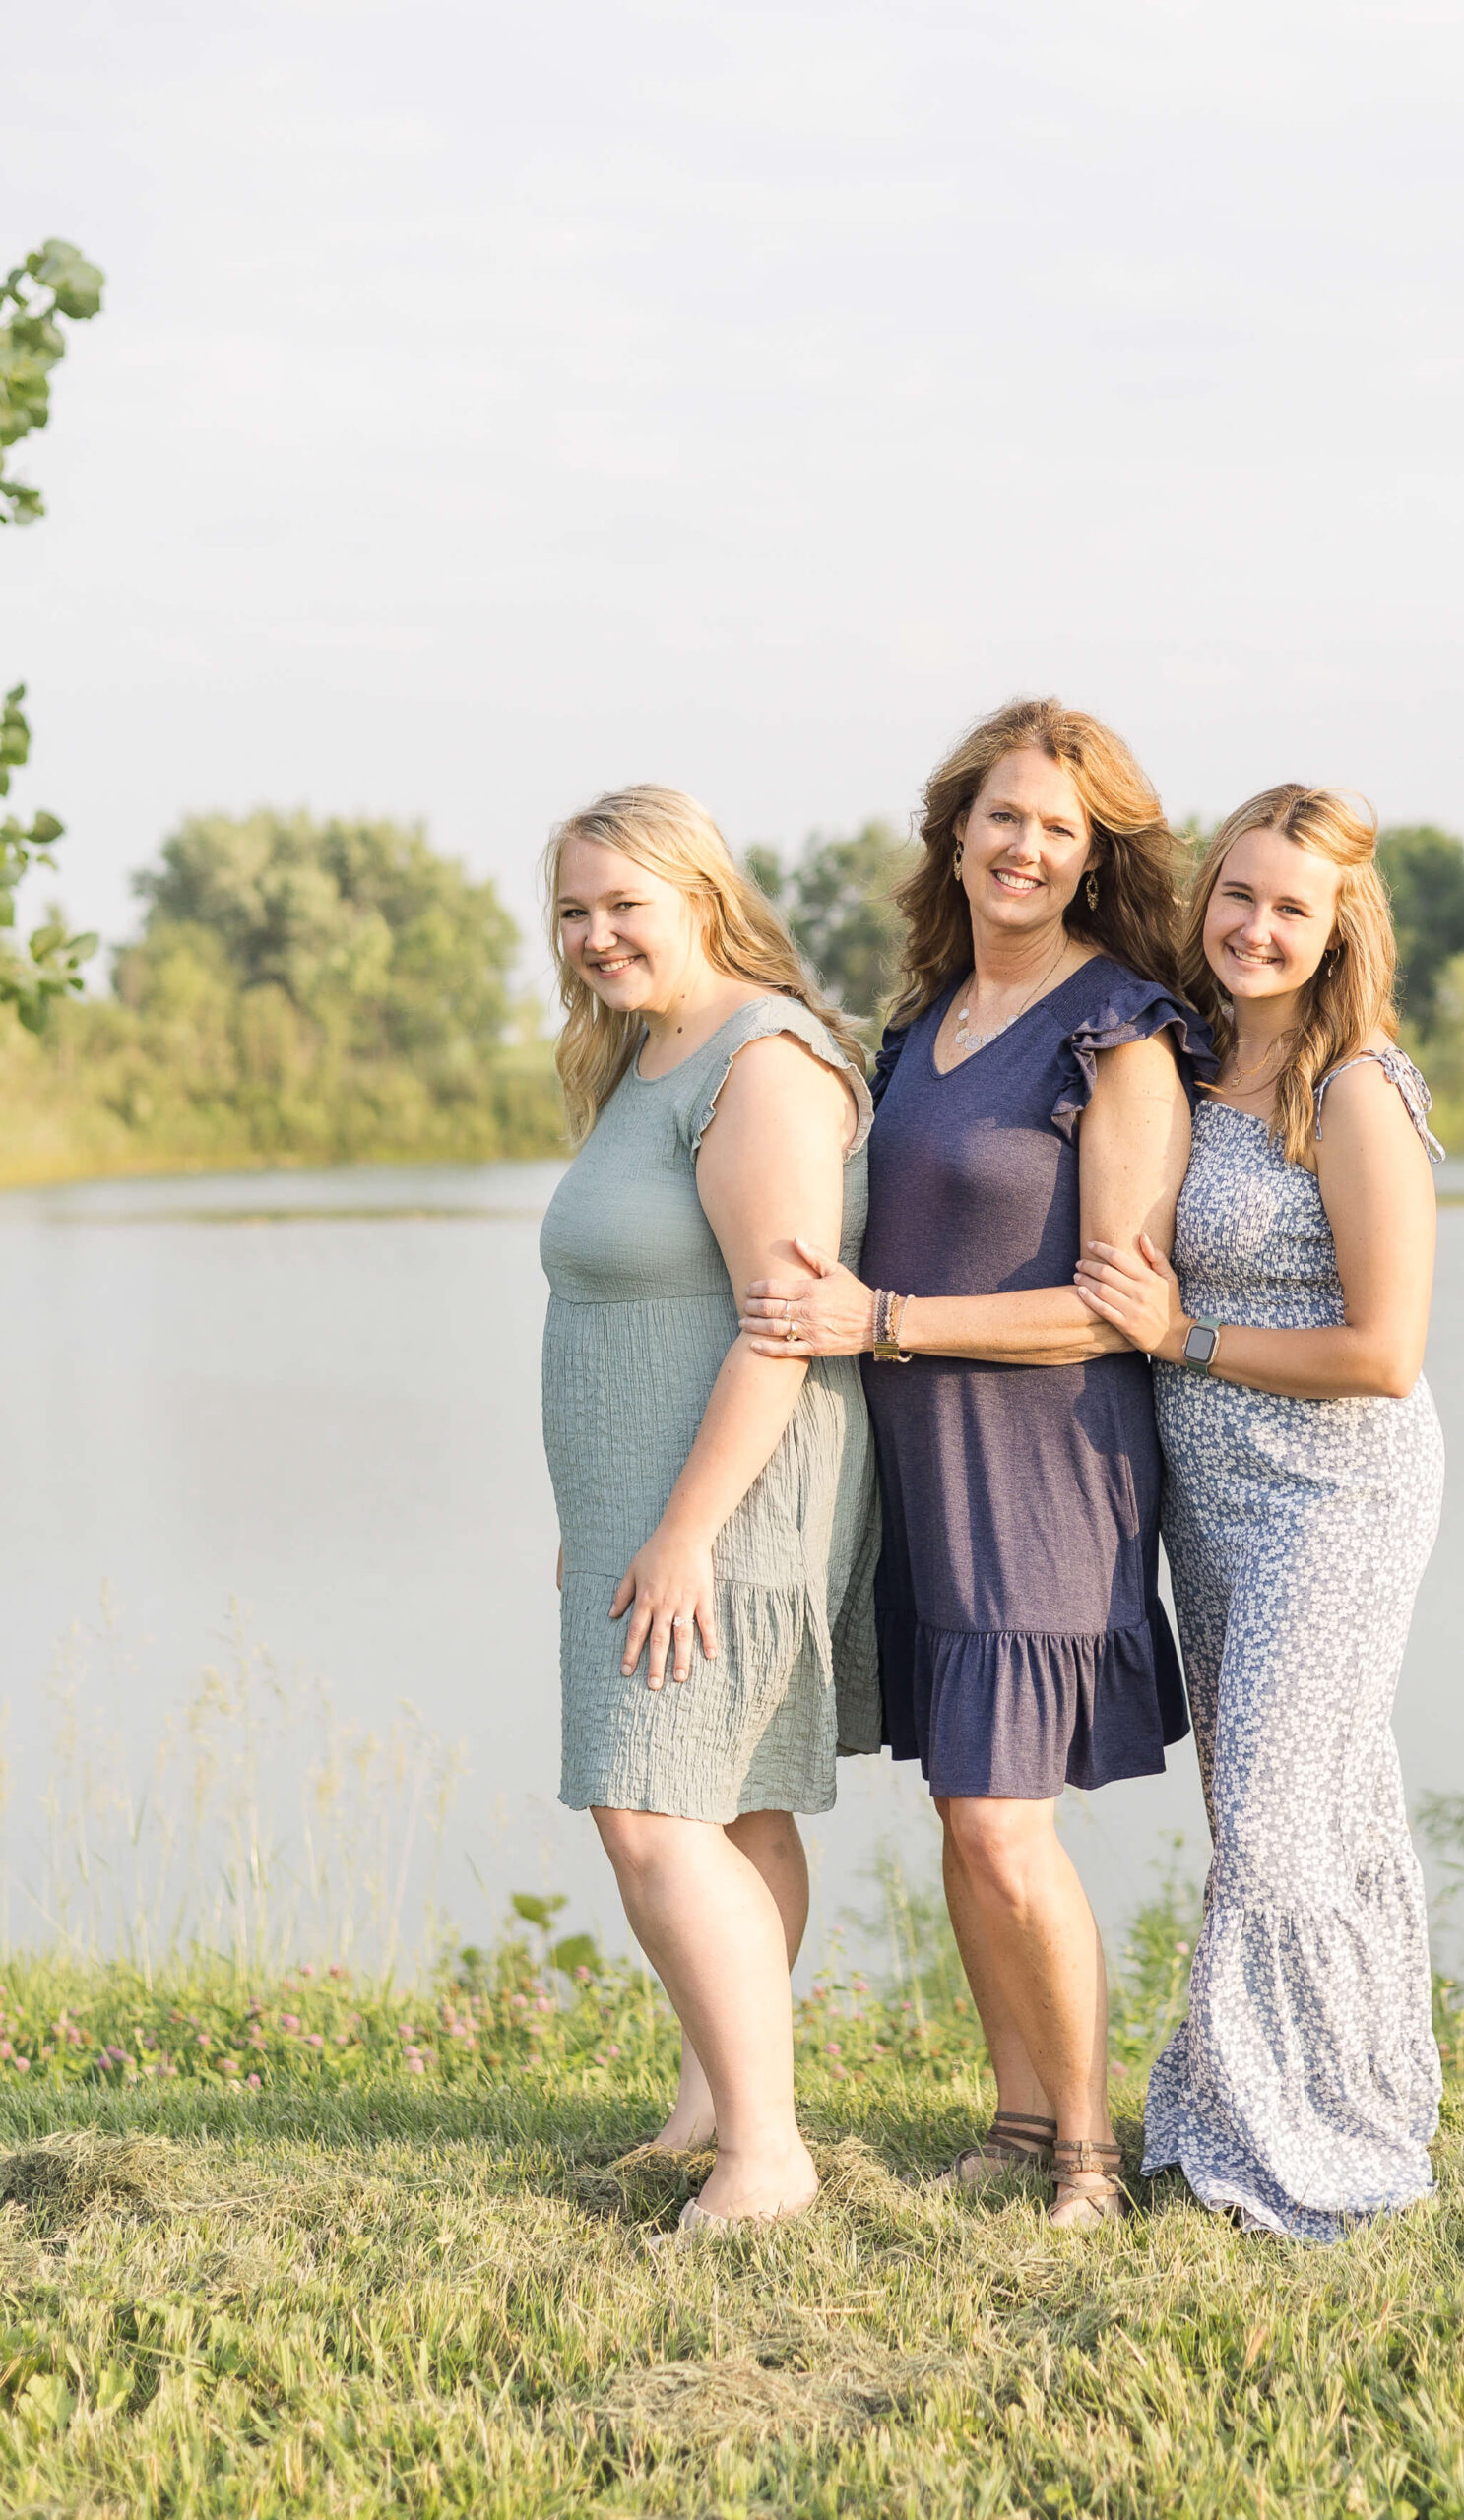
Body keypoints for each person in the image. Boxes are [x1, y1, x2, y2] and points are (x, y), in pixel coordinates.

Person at [738, 698, 1212, 2227]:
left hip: (1046, 1464)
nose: (1024, 846)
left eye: (1058, 830)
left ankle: (1088, 2149)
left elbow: (1106, 1307)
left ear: (1091, 861)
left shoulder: (1120, 1030)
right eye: (1003, 815)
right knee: (962, 1803)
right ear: (957, 829)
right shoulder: (919, 1025)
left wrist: (879, 1317)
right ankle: (1015, 2121)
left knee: (1008, 1822)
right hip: (919, 1456)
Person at [1072, 783, 1445, 2238]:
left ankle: (1296, 2154)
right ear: (1204, 897)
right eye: (1238, 895)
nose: (1257, 926)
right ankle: (1346, 2093)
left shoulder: (1355, 1089)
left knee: (1287, 1824)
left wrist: (1186, 1342)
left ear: (1341, 925)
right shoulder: (1191, 1059)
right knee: (1297, 1814)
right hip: (1210, 1499)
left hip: (1337, 1491)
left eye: (1293, 906)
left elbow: (1386, 1353)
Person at [538, 785, 880, 2235]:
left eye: (627, 904)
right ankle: (711, 2103)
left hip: (731, 1495)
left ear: (701, 898)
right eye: (574, 910)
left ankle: (768, 2155)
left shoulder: (765, 1060)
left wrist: (678, 1530)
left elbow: (783, 1323)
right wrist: (603, 1508)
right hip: (647, 1493)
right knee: (725, 1807)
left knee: (645, 1810)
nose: (598, 935)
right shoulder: (647, 1054)